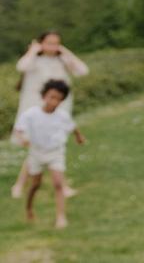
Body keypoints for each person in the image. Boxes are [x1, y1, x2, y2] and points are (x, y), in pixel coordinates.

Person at [11, 31, 88, 198]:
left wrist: (65, 51)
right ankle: (21, 185)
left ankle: (53, 185)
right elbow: (21, 66)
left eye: (56, 43)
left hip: (59, 110)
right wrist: (33, 50)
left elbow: (82, 70)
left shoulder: (62, 60)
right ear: (41, 43)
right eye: (49, 43)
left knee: (55, 147)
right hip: (37, 110)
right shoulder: (34, 61)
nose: (53, 47)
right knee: (37, 148)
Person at [13, 79, 86, 229]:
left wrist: (79, 137)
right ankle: (29, 208)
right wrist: (22, 140)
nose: (54, 101)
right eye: (51, 97)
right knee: (35, 185)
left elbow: (73, 127)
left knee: (58, 184)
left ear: (62, 100)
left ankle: (61, 217)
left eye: (58, 99)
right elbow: (18, 130)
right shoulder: (31, 114)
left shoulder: (62, 116)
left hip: (55, 153)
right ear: (44, 96)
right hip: (36, 154)